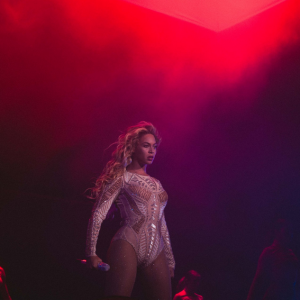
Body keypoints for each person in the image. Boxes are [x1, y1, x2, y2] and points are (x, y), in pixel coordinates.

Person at [85, 122, 175, 300]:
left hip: (157, 250)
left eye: (154, 147)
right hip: (128, 242)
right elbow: (98, 214)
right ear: (134, 148)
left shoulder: (157, 183)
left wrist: (170, 260)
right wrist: (91, 253)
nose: (152, 151)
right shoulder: (121, 177)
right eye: (146, 146)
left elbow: (161, 222)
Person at [246, 219, 299, 300]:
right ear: (277, 232)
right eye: (286, 230)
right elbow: (258, 281)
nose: (290, 234)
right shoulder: (269, 252)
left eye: (291, 231)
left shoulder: (291, 255)